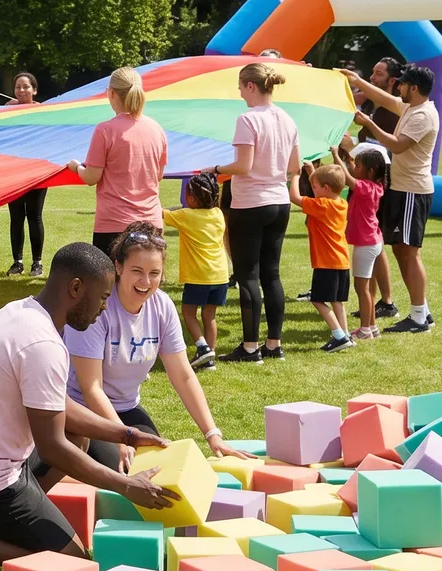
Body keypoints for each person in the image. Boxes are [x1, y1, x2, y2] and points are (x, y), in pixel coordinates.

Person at [0, 242, 178, 571]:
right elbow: (52, 447)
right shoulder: (43, 345)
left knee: (78, 435)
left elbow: (57, 405)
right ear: (76, 288)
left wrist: (126, 433)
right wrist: (125, 485)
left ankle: (4, 520)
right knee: (74, 566)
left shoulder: (20, 310)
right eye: (102, 297)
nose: (104, 307)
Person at [65, 226, 254, 462]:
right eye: (137, 270)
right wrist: (121, 438)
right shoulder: (98, 307)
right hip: (83, 410)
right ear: (119, 266)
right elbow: (91, 389)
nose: (145, 281)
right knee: (122, 470)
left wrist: (212, 434)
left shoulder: (162, 306)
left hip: (127, 409)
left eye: (154, 273)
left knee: (161, 465)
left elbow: (183, 375)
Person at [205, 63, 301, 364]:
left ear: (250, 86)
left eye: (240, 86)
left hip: (250, 203)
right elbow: (295, 167)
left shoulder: (247, 119)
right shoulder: (287, 118)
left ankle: (249, 347)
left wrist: (216, 169)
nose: (239, 92)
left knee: (248, 275)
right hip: (279, 201)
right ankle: (274, 343)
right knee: (271, 274)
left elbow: (243, 166)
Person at [347, 63, 442, 334]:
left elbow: (398, 145)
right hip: (402, 189)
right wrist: (357, 80)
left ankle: (419, 317)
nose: (397, 87)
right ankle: (421, 311)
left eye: (402, 84)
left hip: (412, 191)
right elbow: (382, 98)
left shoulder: (423, 115)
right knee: (402, 250)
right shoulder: (412, 107)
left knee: (410, 254)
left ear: (414, 88)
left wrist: (369, 123)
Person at [64, 67, 168, 252]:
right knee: (146, 280)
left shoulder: (105, 130)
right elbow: (158, 176)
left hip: (115, 224)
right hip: (151, 222)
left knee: (112, 280)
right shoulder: (157, 129)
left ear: (111, 93)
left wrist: (76, 167)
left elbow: (91, 177)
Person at [347, 57, 403, 317]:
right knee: (374, 243)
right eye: (372, 71)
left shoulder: (395, 108)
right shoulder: (372, 102)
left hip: (379, 186)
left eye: (378, 74)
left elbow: (384, 154)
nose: (372, 77)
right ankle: (376, 301)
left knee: (374, 242)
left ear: (392, 81)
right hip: (368, 181)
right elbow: (350, 94)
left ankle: (386, 301)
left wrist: (351, 149)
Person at [164, 172, 228, 370]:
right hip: (220, 275)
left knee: (189, 313)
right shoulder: (218, 214)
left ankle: (202, 347)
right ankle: (210, 357)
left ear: (190, 198)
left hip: (199, 276)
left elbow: (161, 214)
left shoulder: (186, 216)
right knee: (210, 316)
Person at [290, 163, 354, 352]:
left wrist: (294, 175)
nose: (312, 189)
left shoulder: (321, 205)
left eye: (315, 187)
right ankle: (346, 333)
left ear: (325, 188)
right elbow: (322, 188)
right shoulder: (341, 203)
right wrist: (312, 173)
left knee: (318, 300)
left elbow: (294, 197)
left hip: (327, 263)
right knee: (337, 301)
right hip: (341, 261)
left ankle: (339, 336)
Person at [0, 72, 47, 278]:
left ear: (34, 90)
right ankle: (17, 262)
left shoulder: (44, 111)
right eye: (18, 87)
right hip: (15, 172)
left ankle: (37, 263)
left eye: (26, 87)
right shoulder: (8, 110)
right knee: (16, 217)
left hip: (37, 171)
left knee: (34, 217)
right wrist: (4, 113)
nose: (21, 90)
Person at [343, 149, 389, 339]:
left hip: (366, 244)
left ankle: (364, 330)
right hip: (374, 241)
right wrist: (346, 156)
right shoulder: (376, 186)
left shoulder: (365, 187)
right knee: (368, 289)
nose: (354, 167)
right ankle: (371, 327)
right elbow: (351, 175)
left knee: (361, 289)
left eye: (358, 165)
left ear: (370, 171)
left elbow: (347, 179)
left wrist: (338, 157)